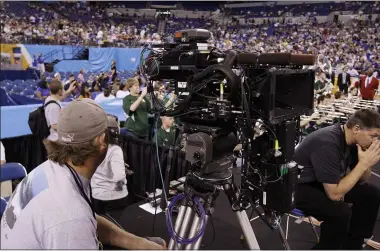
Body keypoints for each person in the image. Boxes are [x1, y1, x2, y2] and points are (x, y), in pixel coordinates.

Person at [0, 99, 166, 249]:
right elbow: (76, 221)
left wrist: (138, 243)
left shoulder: (49, 169)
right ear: (102, 141)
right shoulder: (69, 216)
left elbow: (89, 220)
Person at [294, 109, 380, 249]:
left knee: (370, 194)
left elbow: (362, 179)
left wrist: (366, 162)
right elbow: (335, 195)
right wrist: (363, 163)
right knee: (340, 213)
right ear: (357, 129)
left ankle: (353, 244)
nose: (375, 141)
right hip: (299, 187)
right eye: (373, 136)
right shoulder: (328, 142)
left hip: (322, 182)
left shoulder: (354, 141)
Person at [91, 114, 129, 214]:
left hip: (97, 195)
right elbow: (119, 177)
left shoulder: (91, 147)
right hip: (114, 198)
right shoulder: (114, 150)